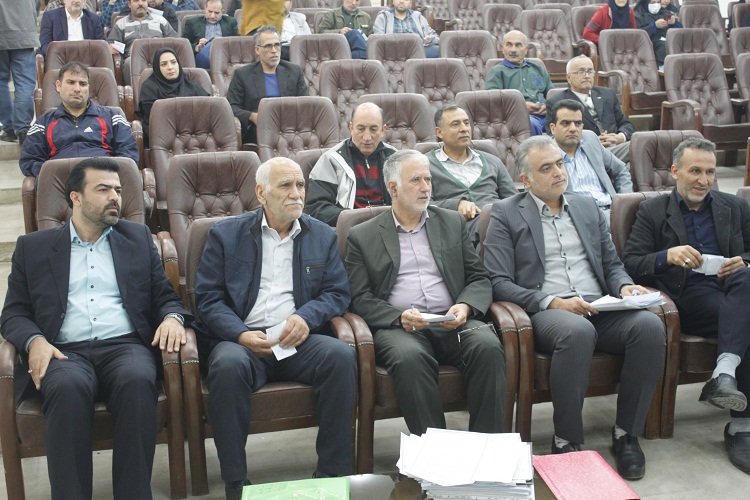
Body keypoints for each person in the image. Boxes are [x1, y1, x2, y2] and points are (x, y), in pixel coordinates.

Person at [0, 157, 192, 498]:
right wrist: (34, 340)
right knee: (66, 388)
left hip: (125, 347)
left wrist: (171, 318)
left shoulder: (137, 238)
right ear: (75, 197)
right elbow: (13, 313)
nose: (115, 197)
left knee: (137, 380)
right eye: (103, 190)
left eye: (117, 190)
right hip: (64, 351)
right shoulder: (34, 248)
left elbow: (165, 298)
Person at [483, 135, 665, 480]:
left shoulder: (586, 206)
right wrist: (552, 302)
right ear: (526, 180)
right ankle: (567, 440)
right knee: (577, 331)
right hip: (548, 310)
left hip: (598, 305)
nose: (558, 172)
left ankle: (627, 434)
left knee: (649, 327)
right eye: (546, 168)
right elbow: (498, 281)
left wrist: (624, 286)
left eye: (560, 163)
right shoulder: (506, 213)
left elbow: (611, 264)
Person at [195, 157, 357, 500]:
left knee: (341, 356)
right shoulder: (226, 235)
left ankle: (332, 476)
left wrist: (306, 318)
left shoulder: (322, 235)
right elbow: (208, 299)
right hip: (243, 340)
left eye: (300, 185)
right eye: (285, 185)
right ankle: (236, 483)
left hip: (295, 340)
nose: (296, 193)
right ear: (261, 193)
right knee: (226, 366)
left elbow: (337, 293)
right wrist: (239, 333)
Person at [346, 149, 507, 436]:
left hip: (453, 320)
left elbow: (479, 277)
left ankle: (486, 446)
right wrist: (399, 317)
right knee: (409, 357)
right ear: (393, 187)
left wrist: (465, 306)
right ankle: (434, 451)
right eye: (416, 180)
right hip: (400, 327)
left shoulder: (451, 222)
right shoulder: (363, 235)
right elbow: (360, 298)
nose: (426, 188)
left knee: (487, 345)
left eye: (428, 179)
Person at [622, 137, 750, 475]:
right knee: (744, 316)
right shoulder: (653, 210)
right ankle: (742, 425)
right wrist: (667, 256)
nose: (703, 180)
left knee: (747, 283)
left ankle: (725, 375)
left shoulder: (735, 207)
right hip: (688, 296)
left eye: (710, 172)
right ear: (675, 171)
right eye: (695, 171)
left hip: (734, 288)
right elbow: (631, 262)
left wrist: (744, 261)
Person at [20, 62, 139, 178]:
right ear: (58, 85)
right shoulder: (43, 123)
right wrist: (55, 175)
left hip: (104, 180)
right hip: (61, 182)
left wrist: (108, 175)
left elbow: (129, 154)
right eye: (71, 82)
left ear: (88, 88)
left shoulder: (113, 117)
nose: (77, 89)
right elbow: (29, 160)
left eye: (82, 84)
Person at [427, 105, 517, 243]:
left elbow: (514, 200)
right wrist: (455, 205)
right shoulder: (425, 165)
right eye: (455, 124)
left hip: (498, 225)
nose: (464, 129)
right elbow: (420, 206)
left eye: (466, 123)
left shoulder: (492, 161)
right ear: (439, 132)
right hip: (455, 231)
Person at [306, 102, 397, 226]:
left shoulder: (396, 159)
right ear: (351, 128)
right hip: (349, 228)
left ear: (383, 130)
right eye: (361, 129)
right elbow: (318, 206)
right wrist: (353, 220)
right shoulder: (332, 159)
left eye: (373, 129)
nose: (367, 137)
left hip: (390, 226)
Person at [547, 99, 632, 219]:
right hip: (577, 217)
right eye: (566, 123)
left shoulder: (590, 138)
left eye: (578, 123)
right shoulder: (546, 153)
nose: (573, 129)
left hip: (612, 210)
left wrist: (625, 201)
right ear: (553, 128)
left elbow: (620, 170)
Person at [545, 55, 634, 164]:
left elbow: (626, 124)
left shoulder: (607, 94)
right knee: (637, 148)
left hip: (616, 147)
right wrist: (590, 141)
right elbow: (553, 136)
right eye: (581, 72)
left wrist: (620, 137)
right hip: (585, 152)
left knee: (640, 148)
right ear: (568, 78)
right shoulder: (556, 102)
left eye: (590, 71)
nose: (587, 76)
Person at [227, 25, 307, 145]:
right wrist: (252, 116)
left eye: (277, 45)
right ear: (257, 50)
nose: (274, 50)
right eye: (268, 46)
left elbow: (305, 103)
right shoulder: (242, 74)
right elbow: (231, 107)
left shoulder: (294, 71)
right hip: (259, 128)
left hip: (291, 126)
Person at [485, 30, 552, 136]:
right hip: (517, 117)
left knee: (567, 119)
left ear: (526, 50)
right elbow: (493, 103)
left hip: (545, 115)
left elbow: (552, 95)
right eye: (509, 45)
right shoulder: (496, 72)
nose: (513, 50)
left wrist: (548, 105)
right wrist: (521, 107)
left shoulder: (538, 69)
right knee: (531, 124)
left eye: (518, 45)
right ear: (503, 49)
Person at [138, 48, 209, 144]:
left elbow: (208, 114)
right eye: (164, 64)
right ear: (157, 68)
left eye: (173, 62)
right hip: (164, 141)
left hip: (196, 139)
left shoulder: (192, 86)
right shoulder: (149, 88)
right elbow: (154, 123)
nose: (170, 67)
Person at [107, 0, 178, 86]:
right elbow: (111, 44)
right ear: (129, 4)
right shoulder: (121, 24)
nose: (140, 3)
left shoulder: (160, 20)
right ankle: (136, 91)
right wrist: (110, 47)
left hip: (159, 57)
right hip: (133, 58)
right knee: (129, 63)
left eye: (143, 0)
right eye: (136, 1)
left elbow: (175, 41)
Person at [0, 0, 38, 145]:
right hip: (24, 31)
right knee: (25, 83)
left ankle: (9, 128)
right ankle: (23, 130)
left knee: (1, 81)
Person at [183, 0, 239, 69]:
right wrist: (197, 47)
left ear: (222, 11)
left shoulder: (230, 22)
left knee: (216, 42)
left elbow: (237, 44)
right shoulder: (192, 22)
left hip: (224, 56)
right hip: (202, 57)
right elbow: (184, 46)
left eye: (217, 13)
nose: (212, 16)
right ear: (205, 8)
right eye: (209, 11)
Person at [373, 0, 439, 58]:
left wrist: (429, 39)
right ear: (393, 1)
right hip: (393, 51)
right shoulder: (383, 17)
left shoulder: (418, 17)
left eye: (406, 0)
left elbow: (435, 37)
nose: (402, 1)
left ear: (410, 3)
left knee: (440, 50)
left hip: (417, 50)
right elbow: (378, 41)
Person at [39, 0, 105, 57]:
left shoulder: (94, 19)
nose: (76, 1)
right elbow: (44, 45)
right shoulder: (50, 17)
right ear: (64, 1)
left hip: (86, 60)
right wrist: (59, 55)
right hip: (60, 60)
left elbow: (100, 45)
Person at [634, 0, 682, 67]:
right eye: (653, 2)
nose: (656, 5)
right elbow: (638, 34)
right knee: (662, 46)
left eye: (658, 2)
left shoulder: (664, 12)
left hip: (667, 40)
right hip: (649, 43)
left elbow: (680, 31)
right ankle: (660, 68)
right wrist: (654, 26)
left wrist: (674, 23)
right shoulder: (638, 14)